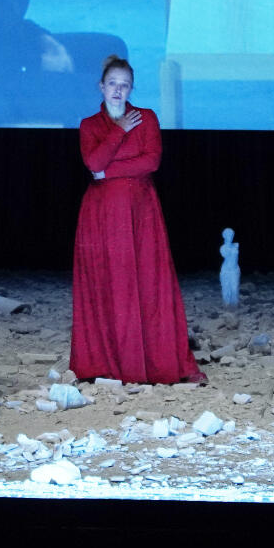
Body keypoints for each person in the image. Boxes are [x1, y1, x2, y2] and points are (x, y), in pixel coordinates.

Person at [70, 56, 204, 385]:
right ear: (101, 86)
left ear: (132, 88)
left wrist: (108, 172)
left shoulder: (147, 118)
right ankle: (110, 362)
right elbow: (93, 162)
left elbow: (151, 162)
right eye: (112, 84)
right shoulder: (90, 125)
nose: (118, 90)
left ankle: (156, 362)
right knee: (110, 284)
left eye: (125, 85)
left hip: (140, 212)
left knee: (148, 282)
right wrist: (118, 132)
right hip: (102, 215)